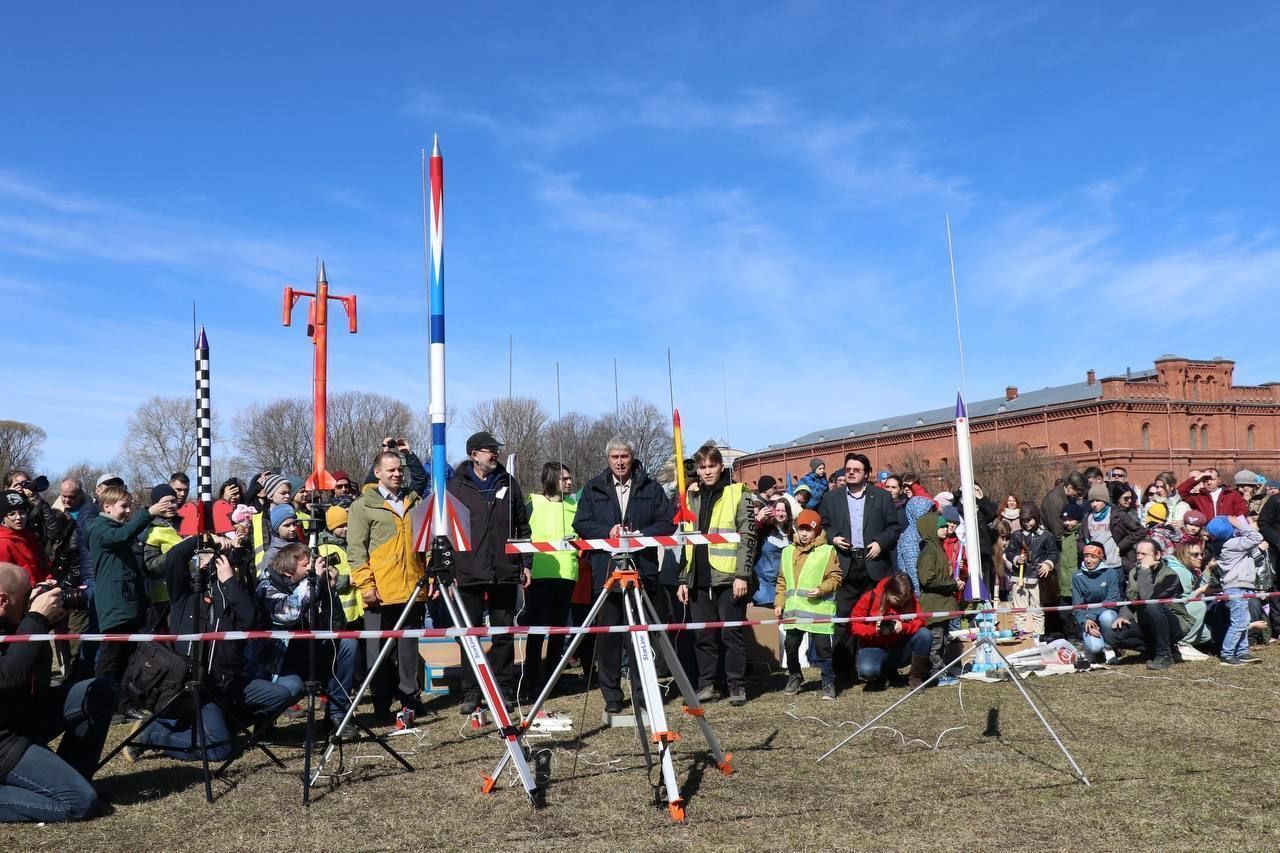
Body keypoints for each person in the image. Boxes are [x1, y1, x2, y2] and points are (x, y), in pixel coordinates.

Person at [129, 535, 298, 761]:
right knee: (219, 751)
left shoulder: (232, 594)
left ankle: (219, 729)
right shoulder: (185, 595)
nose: (219, 559)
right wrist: (206, 539)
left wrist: (230, 582)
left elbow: (253, 622)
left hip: (228, 686)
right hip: (197, 690)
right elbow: (176, 557)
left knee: (279, 695)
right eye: (212, 555)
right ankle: (152, 734)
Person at [0, 563, 116, 823]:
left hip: (22, 718)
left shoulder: (10, 622)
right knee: (80, 803)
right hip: (4, 742)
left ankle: (72, 776)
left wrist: (38, 621)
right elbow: (7, 677)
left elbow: (34, 680)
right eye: (26, 594)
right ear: (3, 600)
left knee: (101, 691)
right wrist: (34, 618)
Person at [573, 436, 674, 714]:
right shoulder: (593, 488)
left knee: (640, 638)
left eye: (624, 456)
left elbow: (668, 522)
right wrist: (608, 532)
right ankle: (612, 697)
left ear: (632, 457)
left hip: (642, 572)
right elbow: (580, 523)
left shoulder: (651, 488)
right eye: (615, 457)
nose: (619, 461)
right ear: (608, 459)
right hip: (606, 574)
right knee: (608, 639)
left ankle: (643, 695)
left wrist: (640, 535)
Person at [446, 431, 530, 712]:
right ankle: (471, 691)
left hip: (505, 570)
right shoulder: (455, 486)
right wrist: (449, 570)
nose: (494, 454)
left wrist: (525, 563)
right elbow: (444, 531)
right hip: (468, 569)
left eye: (496, 450)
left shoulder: (509, 483)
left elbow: (523, 527)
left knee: (504, 632)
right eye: (489, 450)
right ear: (474, 454)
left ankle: (504, 687)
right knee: (469, 633)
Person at [348, 449, 428, 720]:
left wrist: (428, 577)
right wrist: (365, 585)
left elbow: (423, 544)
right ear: (378, 473)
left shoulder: (413, 501)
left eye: (399, 469)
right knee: (378, 653)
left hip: (411, 590)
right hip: (379, 593)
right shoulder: (362, 506)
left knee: (408, 652)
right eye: (391, 470)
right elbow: (356, 551)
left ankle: (410, 700)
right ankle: (381, 703)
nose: (397, 474)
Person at [677, 445, 755, 706]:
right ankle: (707, 683)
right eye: (703, 467)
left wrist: (742, 575)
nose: (707, 471)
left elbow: (748, 537)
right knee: (703, 636)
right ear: (697, 470)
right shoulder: (691, 497)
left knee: (731, 635)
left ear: (721, 466)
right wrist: (683, 579)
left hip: (728, 577)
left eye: (712, 466)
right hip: (698, 577)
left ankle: (736, 685)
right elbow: (684, 539)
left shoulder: (738, 494)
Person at [252, 543, 358, 731]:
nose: (312, 568)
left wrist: (329, 592)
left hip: (311, 652)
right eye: (306, 565)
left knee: (348, 644)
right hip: (281, 664)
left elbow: (338, 626)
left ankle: (338, 715)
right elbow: (290, 612)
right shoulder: (266, 587)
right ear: (288, 572)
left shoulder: (314, 585)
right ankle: (264, 721)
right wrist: (314, 580)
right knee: (291, 688)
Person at [819, 452, 902, 682]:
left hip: (874, 564)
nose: (851, 472)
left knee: (875, 616)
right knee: (844, 619)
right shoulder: (831, 498)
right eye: (848, 468)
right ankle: (843, 672)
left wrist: (880, 543)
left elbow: (894, 528)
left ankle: (878, 667)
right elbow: (823, 525)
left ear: (866, 473)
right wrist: (833, 537)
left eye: (857, 469)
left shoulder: (882, 497)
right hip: (845, 564)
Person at [86, 485, 176, 687]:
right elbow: (121, 536)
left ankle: (123, 703)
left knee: (128, 659)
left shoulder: (118, 528)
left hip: (129, 604)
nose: (128, 511)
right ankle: (103, 701)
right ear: (107, 506)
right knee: (111, 658)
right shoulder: (99, 529)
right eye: (123, 506)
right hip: (115, 606)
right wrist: (149, 512)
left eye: (130, 507)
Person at [521, 462, 578, 698]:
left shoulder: (574, 504)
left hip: (567, 575)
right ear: (551, 479)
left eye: (569, 478)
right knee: (537, 633)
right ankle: (529, 682)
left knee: (559, 632)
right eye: (563, 478)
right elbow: (521, 533)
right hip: (540, 576)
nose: (569, 482)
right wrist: (525, 566)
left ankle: (553, 679)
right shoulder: (533, 504)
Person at [776, 509, 840, 699]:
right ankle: (795, 675)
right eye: (801, 529)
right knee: (790, 645)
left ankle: (828, 680)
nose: (804, 533)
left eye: (809, 530)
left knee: (823, 650)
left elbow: (836, 577)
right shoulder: (787, 552)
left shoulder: (827, 550)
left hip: (818, 609)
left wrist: (821, 589)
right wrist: (779, 602)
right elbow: (782, 581)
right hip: (794, 611)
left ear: (816, 531)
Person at [850, 573, 933, 689]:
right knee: (867, 670)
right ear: (888, 593)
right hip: (875, 646)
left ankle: (915, 678)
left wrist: (903, 627)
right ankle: (883, 673)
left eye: (905, 600)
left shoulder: (911, 599)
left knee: (925, 634)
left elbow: (921, 621)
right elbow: (854, 625)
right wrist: (875, 630)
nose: (902, 604)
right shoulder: (869, 598)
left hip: (899, 648)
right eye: (898, 600)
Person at [1124, 538, 1191, 670]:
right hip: (1145, 620)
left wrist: (1144, 571)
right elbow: (1130, 599)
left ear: (1158, 555)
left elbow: (1147, 598)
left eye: (1144, 554)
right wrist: (1123, 616)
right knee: (1114, 633)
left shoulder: (1170, 575)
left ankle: (1164, 654)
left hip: (1173, 623)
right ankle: (1151, 650)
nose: (1139, 557)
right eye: (1137, 554)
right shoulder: (1133, 573)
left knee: (1153, 606)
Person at [1207, 517, 1264, 665]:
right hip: (1236, 587)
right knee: (1239, 622)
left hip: (1238, 585)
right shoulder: (1232, 544)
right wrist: (1241, 525)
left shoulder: (1220, 544)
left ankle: (1242, 652)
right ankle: (1227, 654)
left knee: (1243, 621)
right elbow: (1257, 537)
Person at [915, 509, 964, 685]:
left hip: (943, 604)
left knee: (943, 640)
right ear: (931, 529)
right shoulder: (929, 551)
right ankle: (934, 674)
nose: (946, 529)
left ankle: (940, 670)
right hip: (933, 605)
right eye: (942, 526)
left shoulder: (938, 549)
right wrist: (951, 585)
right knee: (935, 642)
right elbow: (927, 579)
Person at [1072, 543, 1141, 662]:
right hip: (1088, 618)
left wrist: (1091, 616)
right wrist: (1085, 621)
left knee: (1107, 617)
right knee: (1094, 648)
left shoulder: (1111, 573)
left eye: (1093, 557)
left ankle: (1109, 646)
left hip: (1106, 612)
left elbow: (1113, 599)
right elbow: (1077, 605)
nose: (1088, 560)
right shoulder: (1077, 576)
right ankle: (1095, 649)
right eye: (1086, 556)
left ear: (1101, 558)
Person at [1005, 506, 1057, 643]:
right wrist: (1016, 558)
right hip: (1019, 578)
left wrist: (1047, 564)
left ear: (1036, 518)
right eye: (1023, 521)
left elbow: (1053, 553)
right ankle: (1022, 640)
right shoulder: (1017, 535)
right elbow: (1009, 552)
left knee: (1037, 610)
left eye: (1029, 520)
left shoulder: (1046, 536)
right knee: (1020, 611)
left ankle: (1038, 639)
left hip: (1038, 578)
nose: (1026, 523)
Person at [319, 505, 363, 629]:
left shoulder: (350, 543)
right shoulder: (324, 549)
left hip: (358, 611)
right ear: (331, 527)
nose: (346, 528)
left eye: (347, 524)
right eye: (341, 526)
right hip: (342, 611)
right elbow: (325, 580)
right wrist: (347, 581)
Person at [0, 491, 53, 587]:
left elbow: (43, 565)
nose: (19, 517)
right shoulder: (3, 544)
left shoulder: (30, 537)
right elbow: (5, 584)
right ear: (3, 517)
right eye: (12, 514)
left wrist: (48, 579)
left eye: (22, 512)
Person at [753, 497, 793, 608]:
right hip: (763, 585)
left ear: (788, 513)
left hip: (782, 585)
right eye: (778, 510)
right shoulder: (764, 529)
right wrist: (759, 520)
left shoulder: (791, 533)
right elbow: (750, 538)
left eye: (783, 511)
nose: (780, 514)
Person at [1055, 503, 1086, 642]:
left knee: (1079, 612)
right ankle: (1071, 638)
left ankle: (1081, 638)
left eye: (1070, 519)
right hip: (1064, 582)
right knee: (1064, 613)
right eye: (1065, 520)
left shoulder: (1081, 534)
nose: (1067, 523)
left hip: (1078, 580)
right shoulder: (1062, 537)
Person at [895, 496, 936, 595]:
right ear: (919, 514)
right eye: (928, 513)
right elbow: (913, 571)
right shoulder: (911, 537)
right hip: (918, 594)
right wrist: (919, 595)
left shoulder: (922, 534)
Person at [1177, 468, 1247, 520]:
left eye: (1212, 479)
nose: (1209, 482)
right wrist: (1196, 479)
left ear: (1219, 480)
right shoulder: (1198, 497)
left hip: (1228, 534)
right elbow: (1180, 493)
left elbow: (1241, 513)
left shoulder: (1231, 494)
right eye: (1205, 480)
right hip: (1206, 534)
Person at [255, 504, 302, 577]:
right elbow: (266, 580)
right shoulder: (272, 554)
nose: (293, 528)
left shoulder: (301, 547)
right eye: (287, 525)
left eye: (294, 523)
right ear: (276, 529)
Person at [1041, 471, 1087, 538]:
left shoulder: (1068, 495)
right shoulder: (1055, 502)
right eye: (1078, 493)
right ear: (1069, 488)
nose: (1080, 496)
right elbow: (1058, 533)